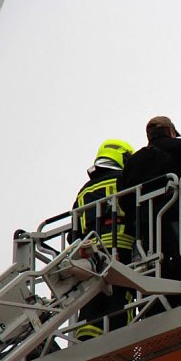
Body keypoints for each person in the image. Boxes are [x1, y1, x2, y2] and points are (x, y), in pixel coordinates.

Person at [118, 116, 181, 311]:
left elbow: (123, 196)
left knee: (152, 269)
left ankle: (155, 308)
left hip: (143, 231)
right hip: (175, 218)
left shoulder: (134, 161)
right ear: (170, 131)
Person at [72, 139, 135, 341]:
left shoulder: (84, 190)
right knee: (121, 293)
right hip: (121, 244)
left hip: (90, 253)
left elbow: (75, 228)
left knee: (93, 297)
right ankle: (119, 337)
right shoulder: (124, 179)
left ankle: (86, 337)